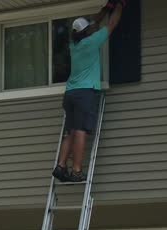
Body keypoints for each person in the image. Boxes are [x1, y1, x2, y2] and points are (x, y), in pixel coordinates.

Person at [52, 0, 125, 182]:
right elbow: (112, 24)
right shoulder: (92, 42)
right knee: (81, 131)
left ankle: (61, 167)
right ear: (86, 32)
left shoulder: (73, 44)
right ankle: (76, 171)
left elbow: (93, 23)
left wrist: (106, 7)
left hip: (70, 94)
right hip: (85, 93)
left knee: (71, 131)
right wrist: (119, 6)